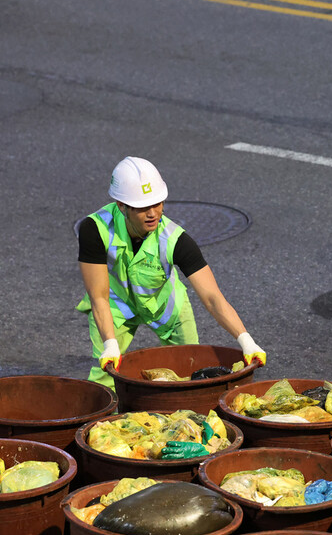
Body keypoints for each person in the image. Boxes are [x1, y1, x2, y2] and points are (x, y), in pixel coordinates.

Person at [77, 156, 266, 388]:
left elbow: (212, 298)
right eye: (143, 207)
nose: (153, 213)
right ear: (121, 206)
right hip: (115, 307)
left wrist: (245, 340)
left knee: (190, 374)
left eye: (157, 203)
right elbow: (98, 296)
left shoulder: (175, 239)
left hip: (166, 308)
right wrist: (110, 344)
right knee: (105, 377)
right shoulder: (95, 229)